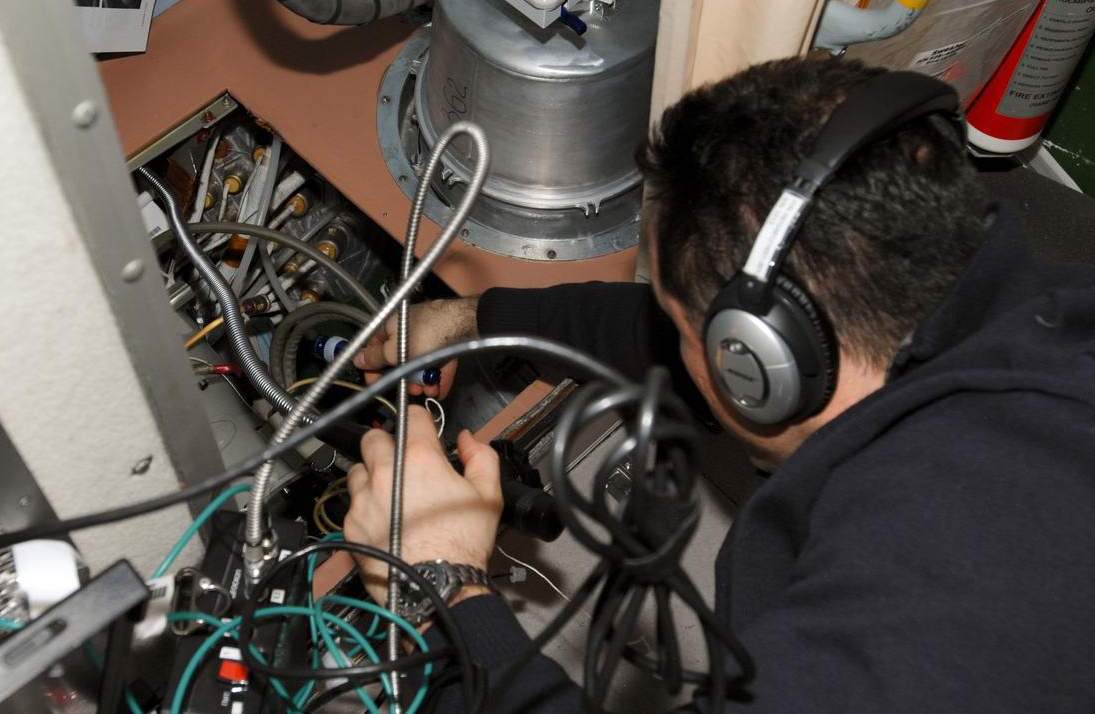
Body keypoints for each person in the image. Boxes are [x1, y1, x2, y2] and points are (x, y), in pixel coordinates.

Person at [342, 56, 1095, 712]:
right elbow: (682, 331)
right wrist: (477, 317)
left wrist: (441, 583)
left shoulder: (922, 620)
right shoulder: (1031, 313)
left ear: (756, 365)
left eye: (679, 324)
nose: (667, 338)